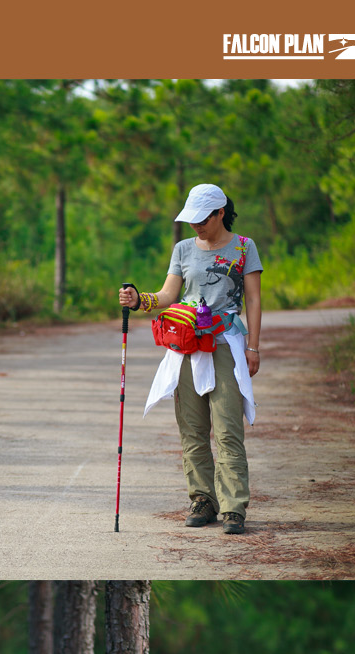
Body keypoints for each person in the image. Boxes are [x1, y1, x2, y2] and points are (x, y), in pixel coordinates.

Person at [119, 184, 263, 536]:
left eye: (202, 219)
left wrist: (253, 347)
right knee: (193, 429)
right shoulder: (183, 248)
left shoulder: (244, 247)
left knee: (228, 429)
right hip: (186, 346)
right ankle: (203, 499)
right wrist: (140, 300)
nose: (195, 225)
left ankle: (233, 507)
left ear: (219, 214)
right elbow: (169, 294)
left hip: (226, 343)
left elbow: (255, 300)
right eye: (191, 219)